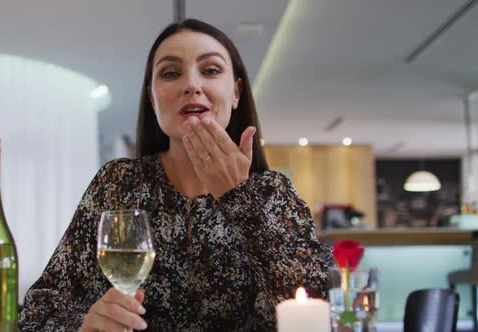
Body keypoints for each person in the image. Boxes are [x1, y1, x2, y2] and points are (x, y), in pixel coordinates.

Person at [19, 18, 332, 332]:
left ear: (236, 92)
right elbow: (38, 313)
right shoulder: (118, 184)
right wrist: (83, 324)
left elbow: (313, 308)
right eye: (171, 73)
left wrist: (237, 195)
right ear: (152, 97)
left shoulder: (272, 193)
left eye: (210, 70)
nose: (191, 85)